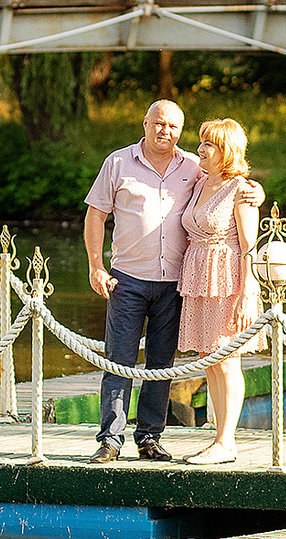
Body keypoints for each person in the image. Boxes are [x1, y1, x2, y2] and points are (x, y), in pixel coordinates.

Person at [83, 100, 199, 463]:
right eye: (160, 123)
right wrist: (95, 267)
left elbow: (227, 184)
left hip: (174, 284)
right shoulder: (117, 162)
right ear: (146, 123)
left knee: (161, 365)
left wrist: (253, 192)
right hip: (127, 281)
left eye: (173, 127)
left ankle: (149, 437)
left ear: (181, 131)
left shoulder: (194, 167)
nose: (166, 131)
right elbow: (95, 216)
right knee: (119, 362)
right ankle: (110, 441)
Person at [176, 119, 265, 465]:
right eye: (201, 142)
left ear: (226, 150)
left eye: (209, 145)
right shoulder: (201, 182)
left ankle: (227, 442)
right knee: (208, 360)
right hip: (199, 278)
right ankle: (217, 438)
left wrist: (248, 291)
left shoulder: (240, 189)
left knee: (227, 361)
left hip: (227, 279)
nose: (201, 149)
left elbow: (248, 246)